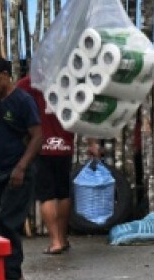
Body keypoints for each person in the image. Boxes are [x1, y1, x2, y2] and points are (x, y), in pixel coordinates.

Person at [13, 74, 100, 255]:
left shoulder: (30, 82)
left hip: (41, 146)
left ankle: (55, 241)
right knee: (62, 193)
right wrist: (92, 142)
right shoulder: (70, 80)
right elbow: (83, 112)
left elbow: (9, 100)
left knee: (46, 195)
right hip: (64, 145)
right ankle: (63, 238)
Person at [0, 56, 42, 280]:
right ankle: (3, 271)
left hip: (18, 171)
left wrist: (21, 167)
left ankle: (13, 273)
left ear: (5, 74)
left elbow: (37, 136)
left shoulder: (23, 101)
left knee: (8, 221)